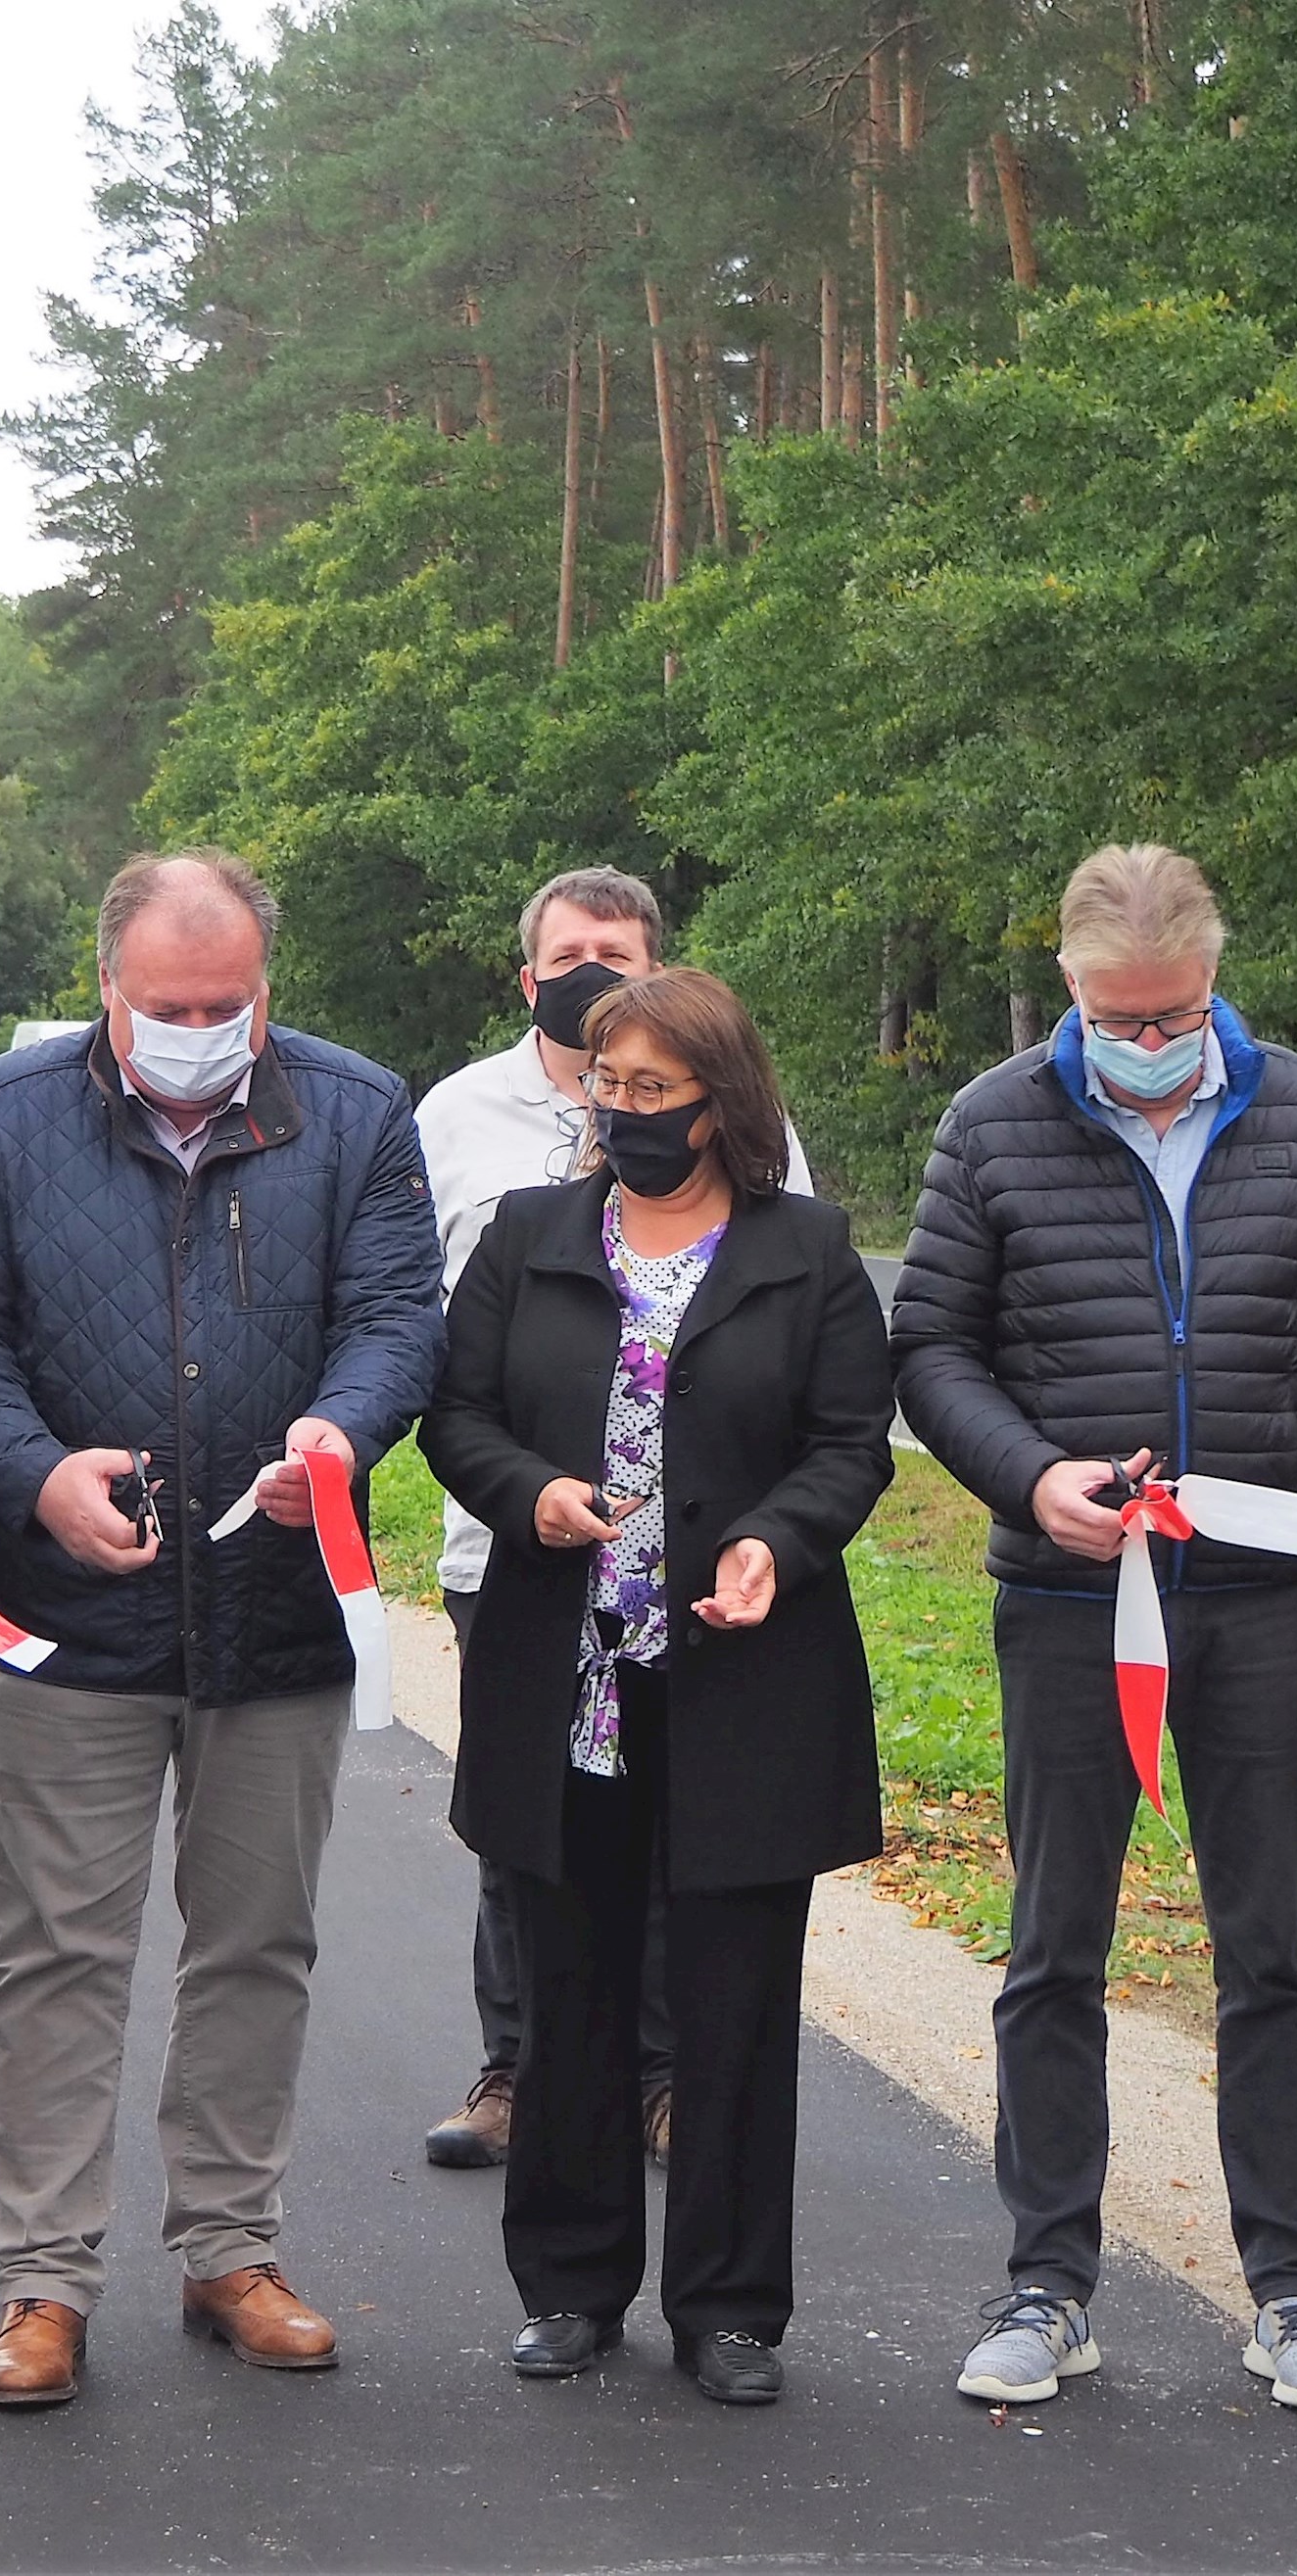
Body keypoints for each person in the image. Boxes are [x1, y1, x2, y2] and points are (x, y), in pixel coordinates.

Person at [890, 843, 1297, 2418]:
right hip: (1069, 1600)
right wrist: (1028, 1472)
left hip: (1256, 1604)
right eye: (1118, 1016)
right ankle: (1048, 2278)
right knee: (1056, 1942)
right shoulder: (991, 1125)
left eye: (1173, 1011)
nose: (1146, 1039)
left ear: (1212, 980)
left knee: (1272, 1947)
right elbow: (932, 1346)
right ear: (1069, 987)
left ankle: (1295, 2289)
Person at [0, 849, 446, 2409]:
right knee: (58, 1953)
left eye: (227, 1004)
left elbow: (395, 1315)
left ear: (266, 988)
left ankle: (230, 2248)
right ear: (108, 989)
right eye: (170, 1006)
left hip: (277, 1612)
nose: (202, 1028)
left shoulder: (355, 1110)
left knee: (257, 1943)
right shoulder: (2, 1116)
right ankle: (43, 2278)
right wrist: (28, 1472)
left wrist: (340, 1437)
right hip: (71, 1615)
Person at [425, 967, 891, 2406]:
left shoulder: (806, 1249)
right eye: (605, 1088)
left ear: (721, 1104)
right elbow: (458, 1413)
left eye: (654, 1094)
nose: (623, 1114)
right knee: (570, 1989)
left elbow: (849, 1440)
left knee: (734, 2001)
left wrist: (773, 1539)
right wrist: (533, 1495)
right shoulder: (529, 1234)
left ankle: (733, 2307)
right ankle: (570, 2287)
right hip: (566, 1676)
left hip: (748, 1678)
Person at [410, 867, 817, 2171]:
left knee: (669, 1828)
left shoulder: (735, 1111)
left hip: (698, 1561)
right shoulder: (454, 1116)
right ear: (527, 974)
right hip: (515, 1549)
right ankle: (516, 2068)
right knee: (524, 1820)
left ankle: (661, 2076)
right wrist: (521, 1486)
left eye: (619, 951)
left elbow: (786, 1286)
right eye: (570, 952)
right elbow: (421, 1325)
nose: (593, 970)